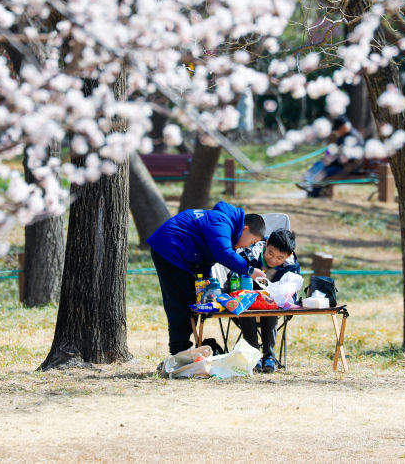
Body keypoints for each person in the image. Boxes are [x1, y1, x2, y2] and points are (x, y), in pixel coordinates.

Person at [146, 201, 267, 354]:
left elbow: (206, 257)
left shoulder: (224, 223)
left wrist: (207, 283)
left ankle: (183, 348)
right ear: (245, 229)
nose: (247, 247)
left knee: (191, 300)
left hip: (182, 254)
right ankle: (179, 351)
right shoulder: (222, 222)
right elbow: (223, 253)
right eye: (252, 241)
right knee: (180, 301)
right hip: (170, 249)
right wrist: (250, 270)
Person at [234, 228, 301, 373]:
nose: (273, 259)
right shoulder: (249, 254)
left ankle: (269, 356)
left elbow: (292, 291)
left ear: (288, 255)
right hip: (247, 301)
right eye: (270, 253)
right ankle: (254, 355)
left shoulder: (291, 266)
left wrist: (283, 298)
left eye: (279, 258)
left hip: (272, 306)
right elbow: (233, 279)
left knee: (271, 308)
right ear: (266, 243)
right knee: (246, 308)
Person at [300, 115, 364, 197]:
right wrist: (328, 157)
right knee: (318, 164)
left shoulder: (353, 137)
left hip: (348, 167)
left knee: (324, 172)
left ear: (343, 127)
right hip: (339, 164)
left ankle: (313, 194)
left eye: (338, 129)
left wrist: (331, 160)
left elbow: (347, 158)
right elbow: (335, 151)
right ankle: (307, 182)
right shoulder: (344, 135)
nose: (336, 132)